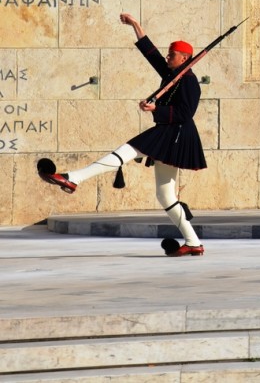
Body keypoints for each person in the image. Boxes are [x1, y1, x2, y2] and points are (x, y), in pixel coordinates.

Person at [38, 13, 207, 257]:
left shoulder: (189, 81)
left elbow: (186, 112)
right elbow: (151, 55)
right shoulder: (173, 74)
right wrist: (136, 27)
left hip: (176, 134)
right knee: (165, 194)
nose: (168, 57)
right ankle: (193, 242)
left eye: (172, 54)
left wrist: (155, 109)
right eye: (169, 54)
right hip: (170, 134)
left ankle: (72, 178)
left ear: (184, 58)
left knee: (126, 151)